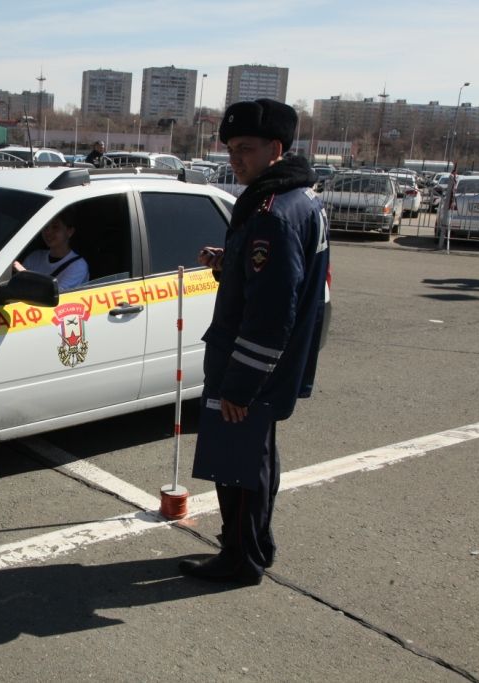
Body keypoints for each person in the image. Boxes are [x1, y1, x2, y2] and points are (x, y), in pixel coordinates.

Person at [180, 98, 330, 586]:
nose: (234, 159)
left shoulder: (272, 211)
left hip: (249, 367)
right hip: (270, 366)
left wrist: (241, 386)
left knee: (237, 466)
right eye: (230, 149)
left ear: (277, 149)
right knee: (258, 458)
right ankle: (256, 545)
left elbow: (270, 315)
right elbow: (277, 280)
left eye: (245, 148)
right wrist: (230, 263)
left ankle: (239, 558)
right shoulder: (298, 198)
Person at [14, 215, 89, 291]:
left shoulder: (78, 266)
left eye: (55, 227)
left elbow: (55, 296)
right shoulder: (35, 256)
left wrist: (24, 273)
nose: (48, 232)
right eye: (45, 227)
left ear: (70, 231)